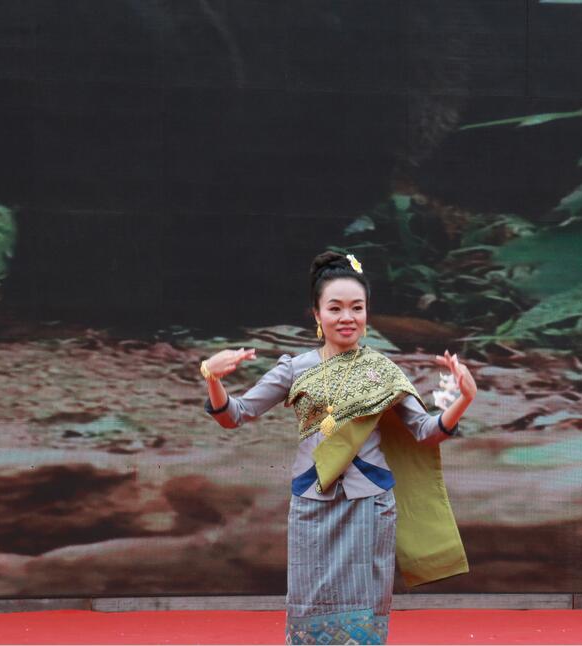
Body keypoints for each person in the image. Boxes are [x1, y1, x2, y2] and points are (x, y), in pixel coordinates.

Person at [201, 251, 475, 645]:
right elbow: (236, 415)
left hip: (370, 502)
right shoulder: (294, 368)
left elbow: (426, 432)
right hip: (312, 498)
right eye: (335, 308)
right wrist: (212, 378)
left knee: (366, 606)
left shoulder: (383, 371)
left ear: (367, 313)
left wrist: (464, 400)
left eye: (356, 308)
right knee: (311, 601)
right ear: (317, 314)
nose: (347, 317)